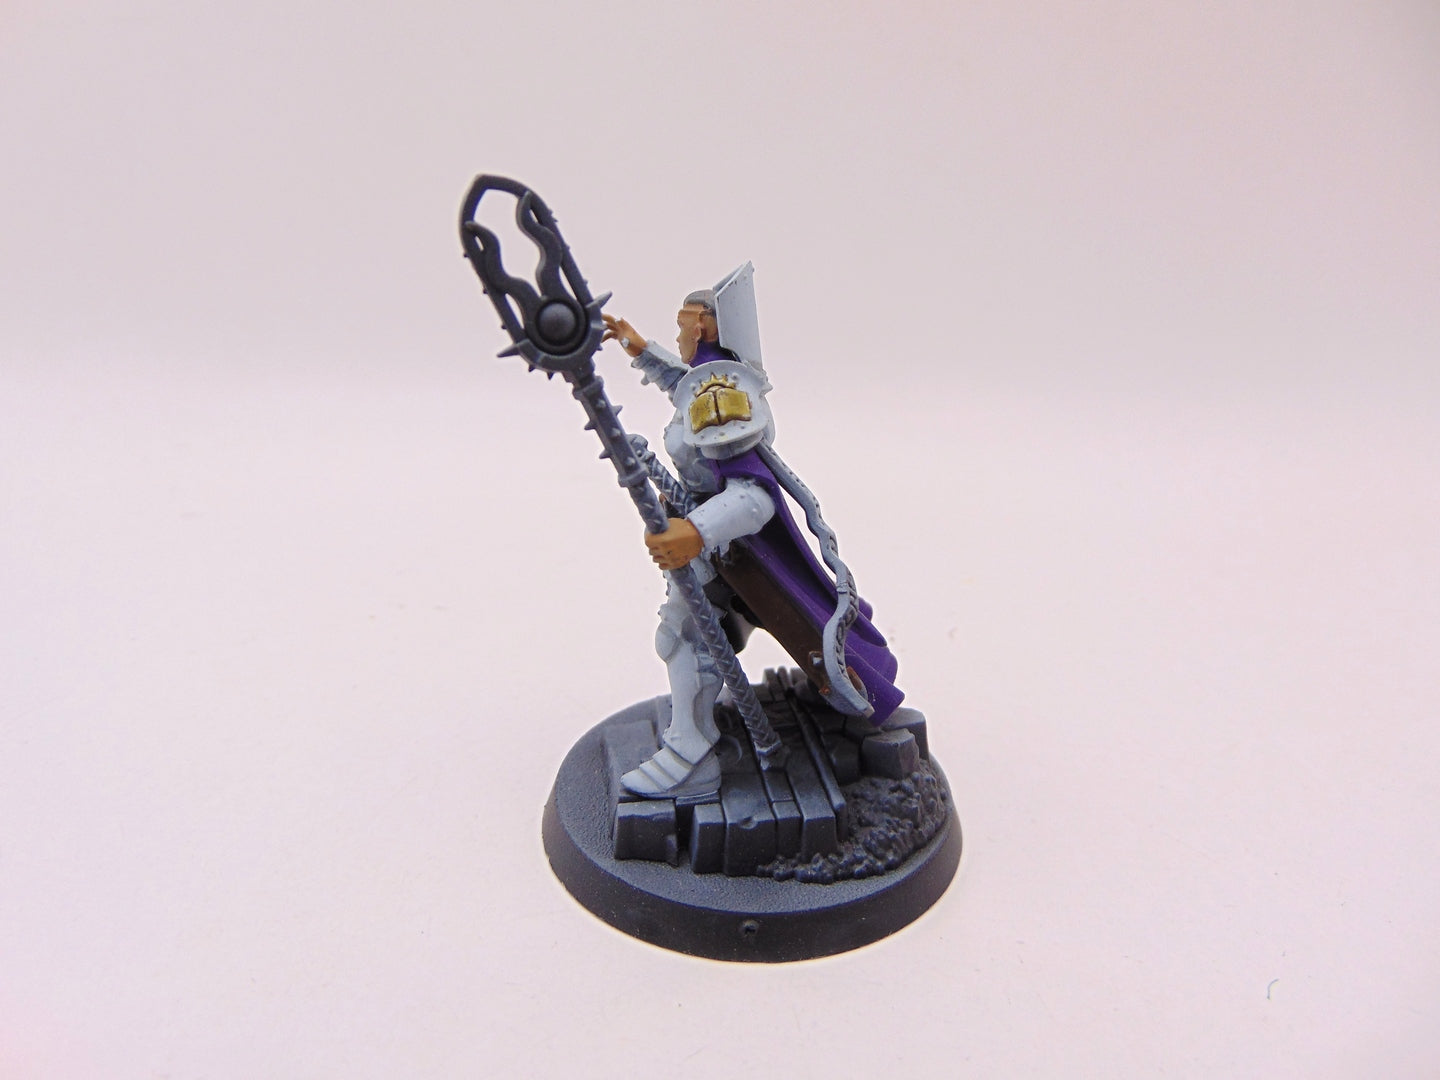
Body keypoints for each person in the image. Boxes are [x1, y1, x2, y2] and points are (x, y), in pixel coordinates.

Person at [601, 273, 902, 799]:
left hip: (729, 545)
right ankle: (690, 743)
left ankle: (690, 756)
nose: (678, 336)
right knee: (685, 634)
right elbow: (684, 384)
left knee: (687, 636)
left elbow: (755, 498)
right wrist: (641, 350)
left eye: (682, 326)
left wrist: (695, 532)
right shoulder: (710, 377)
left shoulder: (722, 395)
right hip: (710, 537)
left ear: (704, 327)